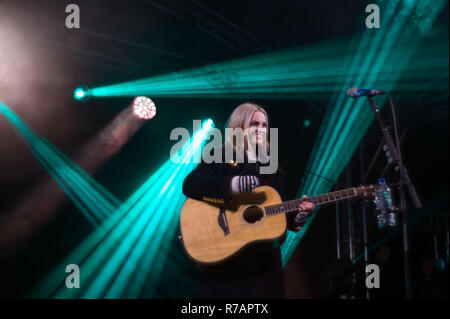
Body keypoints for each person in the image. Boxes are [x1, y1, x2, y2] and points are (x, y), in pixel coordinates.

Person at [182, 102, 314, 298]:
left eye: (264, 125)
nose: (260, 129)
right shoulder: (221, 155)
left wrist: (299, 216)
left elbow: (279, 213)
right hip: (226, 259)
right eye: (254, 124)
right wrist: (233, 184)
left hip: (263, 264)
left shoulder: (271, 165)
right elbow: (190, 184)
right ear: (240, 126)